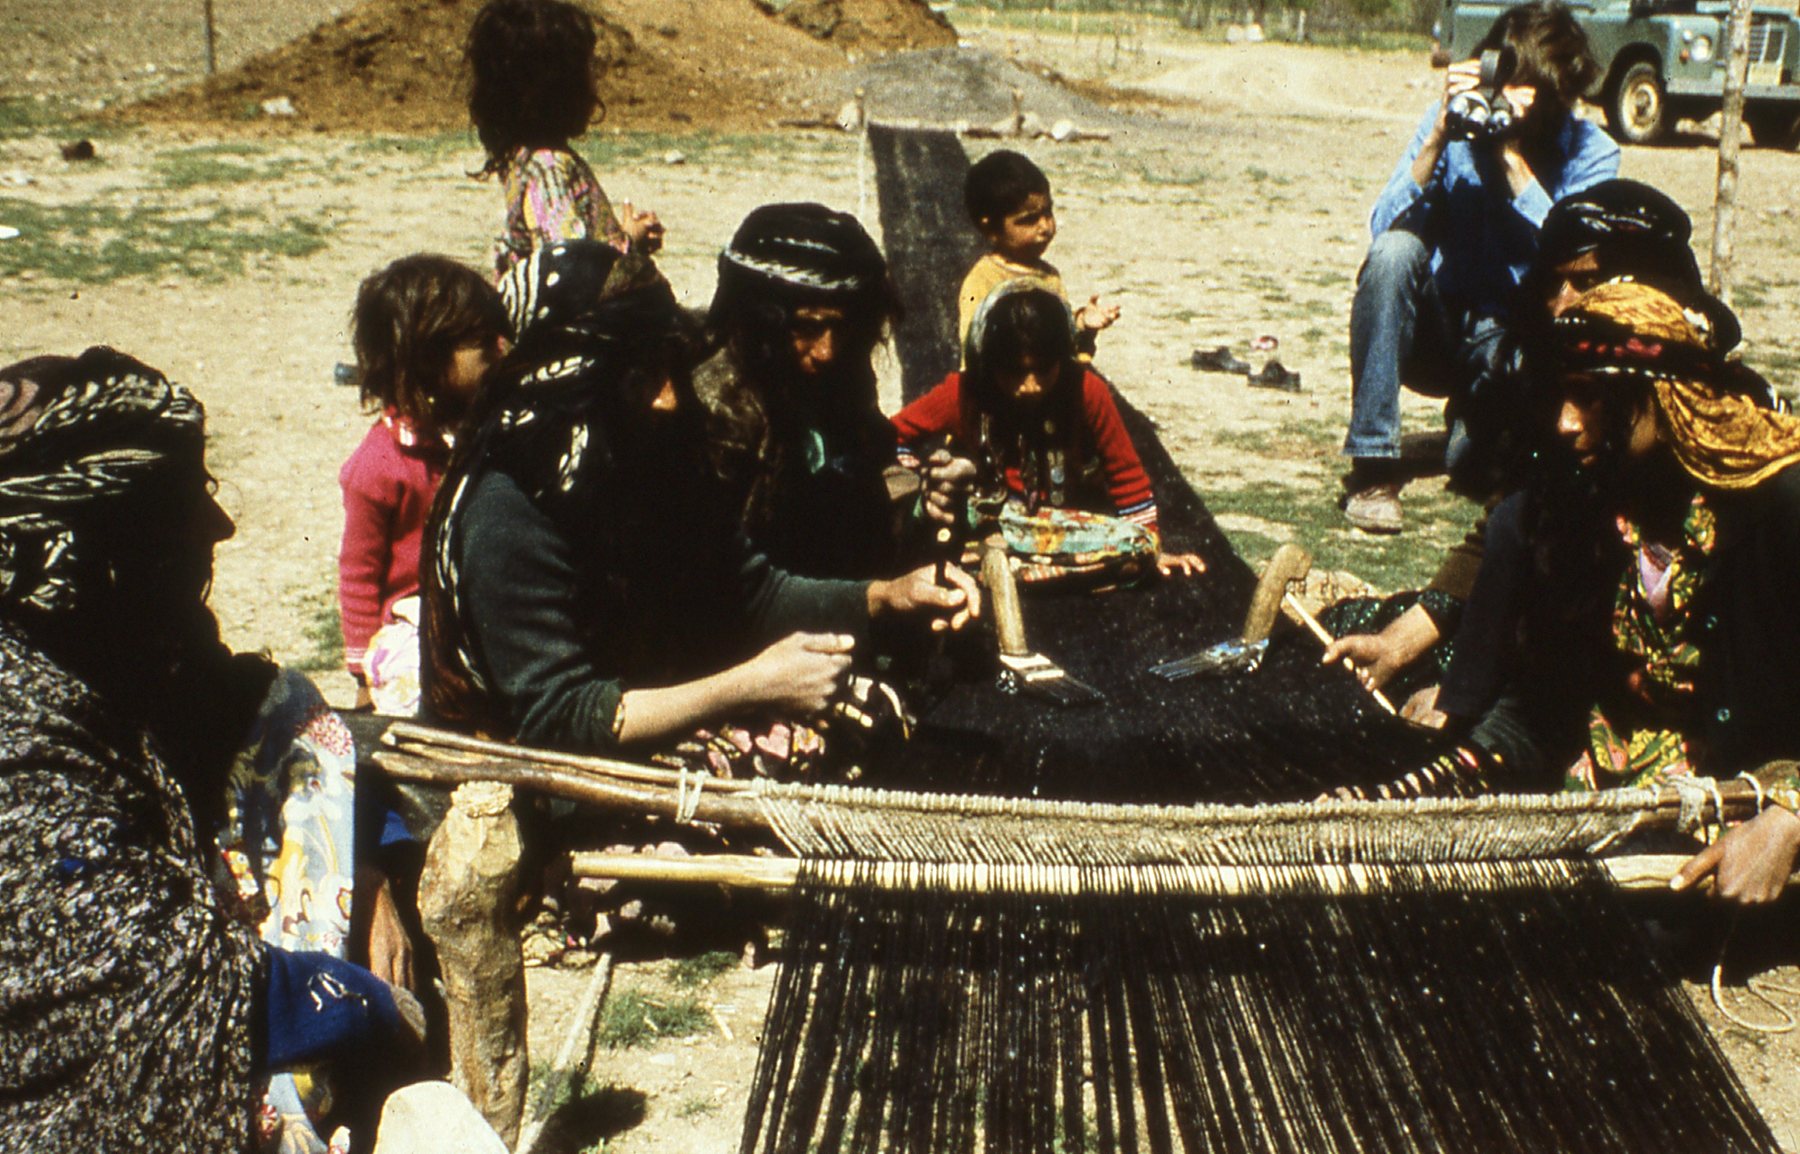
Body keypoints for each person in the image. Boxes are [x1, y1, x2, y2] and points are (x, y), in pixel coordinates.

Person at [0, 348, 420, 1151]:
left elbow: (260, 711)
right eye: (185, 503)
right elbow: (181, 991)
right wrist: (378, 1009)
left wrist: (368, 864)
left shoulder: (119, 643)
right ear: (105, 545)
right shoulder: (20, 746)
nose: (221, 526)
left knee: (286, 708)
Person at [421, 240, 977, 778]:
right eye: (638, 375)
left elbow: (749, 592)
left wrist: (887, 596)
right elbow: (560, 716)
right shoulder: (510, 505)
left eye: (671, 366)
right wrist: (754, 684)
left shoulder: (647, 460)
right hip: (538, 768)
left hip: (647, 713)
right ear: (572, 377)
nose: (669, 397)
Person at [1362, 282, 1800, 905]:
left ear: (1664, 398)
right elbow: (1541, 705)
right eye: (1560, 396)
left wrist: (1788, 816)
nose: (1565, 423)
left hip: (1744, 809)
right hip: (1612, 804)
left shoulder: (1777, 510)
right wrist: (1437, 782)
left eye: (1591, 397)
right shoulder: (1588, 502)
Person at [1323, 180, 1764, 719]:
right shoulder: (1566, 395)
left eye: (1587, 282)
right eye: (1554, 284)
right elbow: (1511, 524)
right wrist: (1400, 644)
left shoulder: (1729, 434)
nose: (1561, 305)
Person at [1341, 0, 1617, 534]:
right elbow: (1381, 224)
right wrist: (1438, 138)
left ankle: (1472, 428)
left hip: (1509, 343)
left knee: (1469, 467)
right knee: (1394, 253)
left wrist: (1512, 160)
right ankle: (1372, 467)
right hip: (1438, 328)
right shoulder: (1453, 124)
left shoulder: (1592, 152)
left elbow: (1577, 256)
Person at [894, 280, 1204, 582]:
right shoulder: (964, 393)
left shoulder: (1086, 390)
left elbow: (1125, 474)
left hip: (1062, 525)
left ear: (1061, 359)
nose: (1030, 386)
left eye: (1043, 369)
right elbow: (893, 435)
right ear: (989, 362)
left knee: (1137, 549)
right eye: (1014, 371)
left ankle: (1008, 571)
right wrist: (924, 481)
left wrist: (1151, 549)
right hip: (988, 524)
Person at [340, 254, 511, 714]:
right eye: (483, 344)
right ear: (431, 358)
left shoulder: (484, 430)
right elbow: (359, 574)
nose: (500, 352)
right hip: (414, 626)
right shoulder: (380, 466)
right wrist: (361, 673)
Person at [701, 202, 910, 579]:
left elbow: (869, 469)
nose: (828, 351)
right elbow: (719, 569)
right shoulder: (721, 407)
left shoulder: (842, 370)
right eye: (806, 327)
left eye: (841, 328)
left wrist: (925, 502)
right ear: (762, 323)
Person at [466, 0, 662, 280]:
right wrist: (628, 241)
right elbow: (568, 271)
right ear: (561, 88)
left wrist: (626, 240)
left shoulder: (526, 159)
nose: (595, 83)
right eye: (587, 70)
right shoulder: (547, 168)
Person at [955, 149, 1118, 360]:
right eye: (1029, 220)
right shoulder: (983, 281)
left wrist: (1081, 325)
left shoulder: (1049, 277)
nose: (1045, 227)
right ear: (990, 229)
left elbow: (1061, 339)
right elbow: (974, 350)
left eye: (1048, 212)